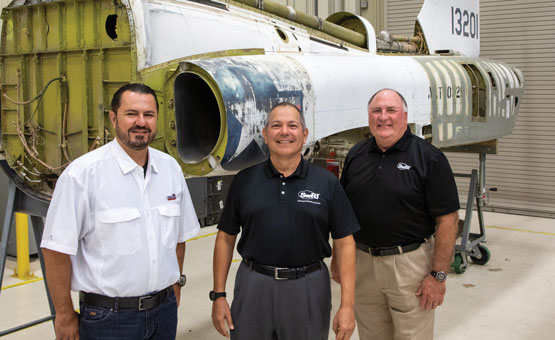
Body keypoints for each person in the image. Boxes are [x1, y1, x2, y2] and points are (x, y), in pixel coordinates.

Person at [40, 83, 200, 340]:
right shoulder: (83, 175)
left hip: (164, 311)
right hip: (108, 319)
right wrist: (64, 314)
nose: (141, 122)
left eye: (148, 115)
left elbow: (178, 239)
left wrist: (175, 284)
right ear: (113, 118)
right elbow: (56, 248)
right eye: (131, 114)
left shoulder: (170, 169)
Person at [211, 102, 360, 340]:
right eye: (276, 125)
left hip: (308, 288)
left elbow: (345, 242)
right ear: (265, 134)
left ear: (304, 134)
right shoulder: (244, 181)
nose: (284, 132)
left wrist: (348, 305)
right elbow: (225, 238)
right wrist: (218, 295)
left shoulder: (326, 183)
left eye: (292, 125)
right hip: (253, 286)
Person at [339, 89, 460, 340]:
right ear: (369, 117)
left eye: (391, 110)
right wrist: (339, 261)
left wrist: (438, 275)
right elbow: (344, 213)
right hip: (362, 264)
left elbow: (447, 220)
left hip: (409, 266)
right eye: (377, 111)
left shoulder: (429, 158)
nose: (384, 117)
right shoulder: (356, 155)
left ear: (405, 115)